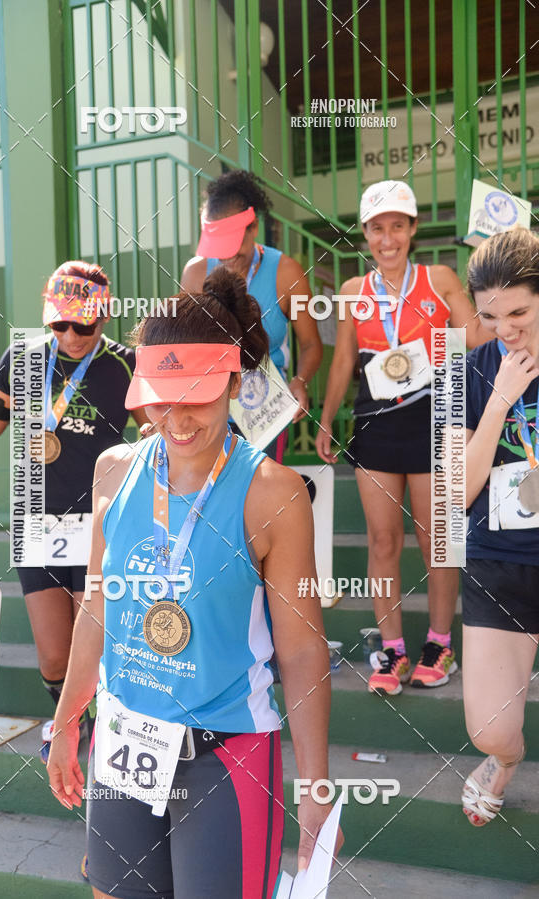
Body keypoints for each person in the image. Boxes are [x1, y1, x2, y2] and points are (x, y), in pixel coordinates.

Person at [46, 266, 341, 898]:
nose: (177, 417)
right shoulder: (113, 471)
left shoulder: (274, 494)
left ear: (234, 380)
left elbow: (301, 649)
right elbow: (97, 608)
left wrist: (316, 792)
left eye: (199, 393)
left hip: (225, 757)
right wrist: (68, 719)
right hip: (123, 742)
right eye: (161, 394)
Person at [0, 261, 143, 755]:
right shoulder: (26, 358)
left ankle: (88, 728)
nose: (71, 334)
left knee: (91, 650)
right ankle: (70, 713)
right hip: (35, 522)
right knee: (54, 658)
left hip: (98, 524)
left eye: (84, 324)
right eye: (60, 323)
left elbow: (153, 430)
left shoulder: (126, 365)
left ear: (105, 315)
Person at [315, 180, 489, 695]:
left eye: (396, 226)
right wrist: (327, 417)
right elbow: (344, 359)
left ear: (412, 229)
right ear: (365, 234)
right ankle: (391, 651)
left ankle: (439, 644)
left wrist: (477, 288)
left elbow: (477, 338)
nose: (386, 238)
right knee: (384, 540)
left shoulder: (438, 279)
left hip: (437, 421)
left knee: (439, 541)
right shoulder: (352, 292)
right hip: (376, 425)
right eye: (376, 228)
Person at [461, 228, 538, 825]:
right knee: (489, 729)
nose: (506, 328)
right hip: (499, 558)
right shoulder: (471, 370)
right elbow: (457, 492)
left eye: (520, 311)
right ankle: (506, 761)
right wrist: (500, 400)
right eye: (491, 317)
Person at [181, 168, 323, 461]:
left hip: (266, 410)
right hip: (210, 409)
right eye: (219, 247)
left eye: (234, 245)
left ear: (254, 227)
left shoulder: (286, 273)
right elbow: (184, 348)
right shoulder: (195, 273)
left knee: (262, 498)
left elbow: (311, 344)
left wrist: (301, 381)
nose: (227, 256)